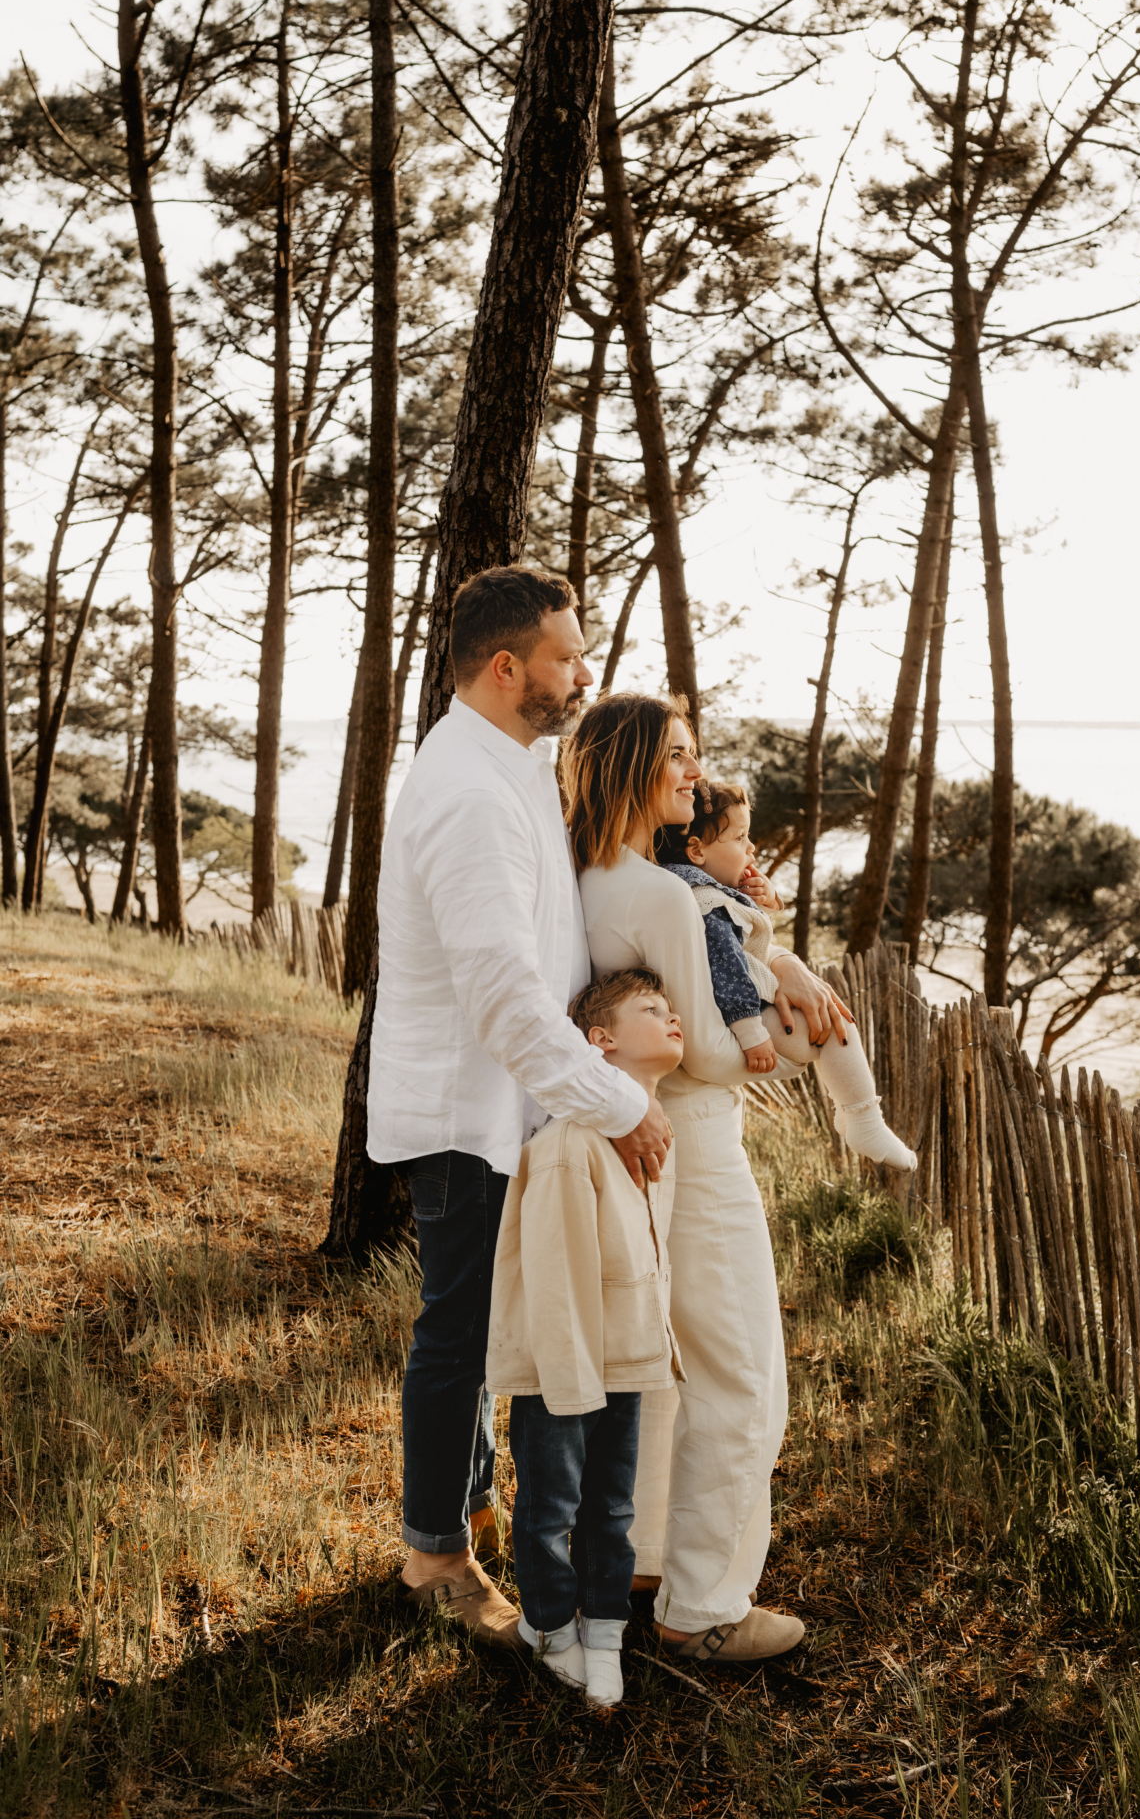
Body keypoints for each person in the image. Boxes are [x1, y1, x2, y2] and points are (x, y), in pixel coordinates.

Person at [367, 567, 673, 1647]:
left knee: (489, 1324)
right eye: (566, 658)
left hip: (518, 1107)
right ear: (507, 668)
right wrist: (617, 1103)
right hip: (470, 1114)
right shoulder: (467, 794)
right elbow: (502, 999)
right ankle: (433, 1555)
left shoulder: (515, 763)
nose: (584, 674)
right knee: (458, 1333)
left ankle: (472, 1505)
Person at [564, 693, 856, 1664]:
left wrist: (771, 958)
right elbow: (714, 1056)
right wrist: (796, 1027)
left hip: (628, 1146)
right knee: (742, 1372)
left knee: (664, 1366)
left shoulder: (585, 880)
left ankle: (647, 1562)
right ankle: (706, 1608)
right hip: (692, 1143)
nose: (696, 774)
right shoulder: (655, 894)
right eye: (680, 757)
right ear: (633, 766)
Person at [486, 969, 686, 1707]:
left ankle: (604, 1629)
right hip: (563, 1370)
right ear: (600, 1042)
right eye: (651, 1009)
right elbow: (555, 1277)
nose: (672, 1017)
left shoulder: (653, 1138)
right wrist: (571, 1384)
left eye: (670, 1008)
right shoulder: (572, 1145)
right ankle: (547, 1626)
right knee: (551, 1506)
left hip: (623, 1363)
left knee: (612, 1506)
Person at [656, 777, 916, 1169]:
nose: (751, 847)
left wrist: (767, 897)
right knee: (835, 1026)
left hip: (749, 1006)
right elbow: (728, 972)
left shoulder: (703, 889)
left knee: (829, 1023)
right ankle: (863, 1119)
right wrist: (752, 1034)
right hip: (745, 1013)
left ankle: (850, 1113)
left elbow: (750, 932)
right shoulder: (708, 904)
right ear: (696, 850)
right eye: (740, 838)